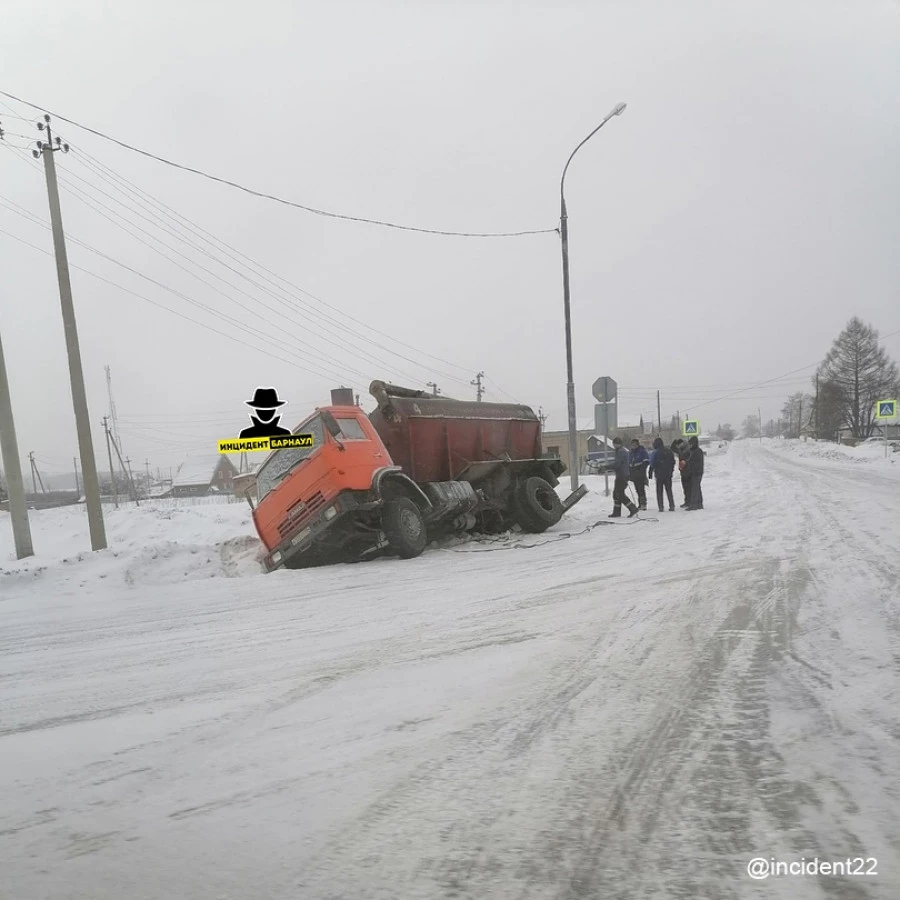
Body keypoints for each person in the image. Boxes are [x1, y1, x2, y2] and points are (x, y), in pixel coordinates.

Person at [609, 436, 639, 518]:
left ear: (617, 444)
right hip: (620, 475)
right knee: (616, 494)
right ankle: (617, 512)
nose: (614, 446)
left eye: (615, 444)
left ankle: (632, 508)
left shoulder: (621, 452)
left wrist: (607, 467)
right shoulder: (620, 451)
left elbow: (617, 464)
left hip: (622, 475)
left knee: (619, 494)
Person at [648, 437, 676, 512]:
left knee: (659, 491)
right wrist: (671, 470)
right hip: (668, 474)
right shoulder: (669, 451)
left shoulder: (655, 452)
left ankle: (661, 507)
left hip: (659, 474)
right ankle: (672, 505)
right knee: (669, 490)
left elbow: (652, 463)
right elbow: (673, 462)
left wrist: (650, 472)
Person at [628, 438, 650, 511]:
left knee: (641, 489)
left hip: (640, 473)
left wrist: (641, 471)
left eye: (634, 445)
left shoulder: (642, 451)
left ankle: (643, 504)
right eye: (632, 445)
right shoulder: (631, 453)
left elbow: (646, 461)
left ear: (637, 445)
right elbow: (629, 463)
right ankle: (640, 504)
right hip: (634, 474)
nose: (633, 446)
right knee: (637, 489)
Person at [684, 435, 705, 510]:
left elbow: (694, 462)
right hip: (696, 472)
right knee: (697, 488)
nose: (690, 446)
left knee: (695, 488)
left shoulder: (697, 451)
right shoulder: (695, 451)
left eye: (691, 444)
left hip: (696, 472)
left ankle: (694, 504)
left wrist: (689, 464)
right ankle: (699, 503)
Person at [672, 438, 692, 508]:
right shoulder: (681, 450)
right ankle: (687, 501)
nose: (679, 446)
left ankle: (690, 502)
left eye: (680, 444)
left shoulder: (687, 450)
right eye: (678, 445)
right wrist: (674, 441)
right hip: (683, 471)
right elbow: (673, 448)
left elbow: (689, 459)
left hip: (688, 471)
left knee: (689, 488)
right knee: (685, 488)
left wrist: (685, 462)